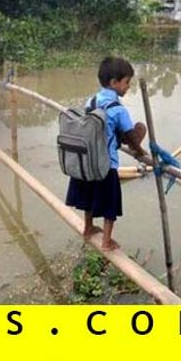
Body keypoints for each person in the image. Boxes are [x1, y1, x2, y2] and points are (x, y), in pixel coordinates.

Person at [66, 57, 147, 251]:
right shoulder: (119, 109)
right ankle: (106, 241)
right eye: (126, 82)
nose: (128, 87)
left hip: (88, 161)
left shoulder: (91, 101)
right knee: (110, 205)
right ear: (114, 82)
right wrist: (141, 151)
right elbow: (130, 138)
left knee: (89, 197)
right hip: (107, 164)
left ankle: (88, 228)